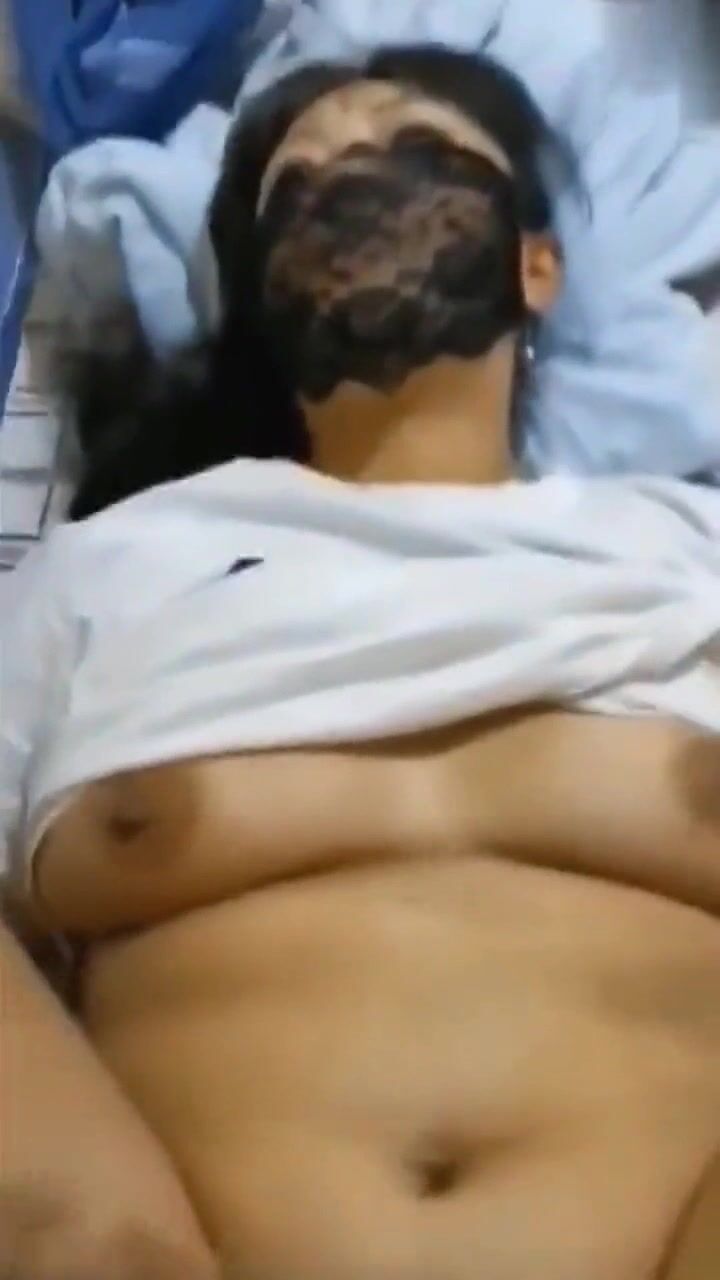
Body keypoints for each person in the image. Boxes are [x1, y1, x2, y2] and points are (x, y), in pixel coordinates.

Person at [1, 45, 719, 1280]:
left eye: (417, 150)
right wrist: (70, 1220)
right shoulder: (112, 570)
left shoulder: (691, 553)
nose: (350, 176)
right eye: (300, 184)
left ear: (536, 266)